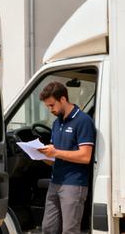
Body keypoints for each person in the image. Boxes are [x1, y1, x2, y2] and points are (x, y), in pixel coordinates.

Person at [36, 82, 95, 234]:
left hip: (74, 184)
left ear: (63, 99)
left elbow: (85, 156)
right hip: (55, 182)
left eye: (51, 105)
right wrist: (41, 155)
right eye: (47, 106)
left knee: (70, 230)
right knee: (48, 228)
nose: (50, 110)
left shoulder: (83, 120)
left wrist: (55, 152)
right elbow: (55, 157)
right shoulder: (57, 123)